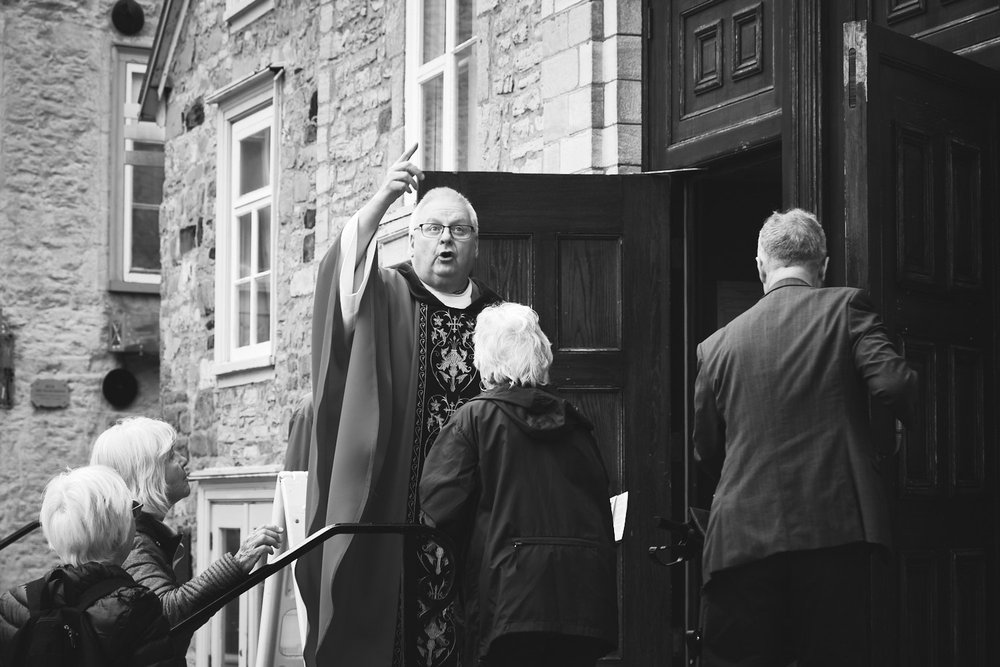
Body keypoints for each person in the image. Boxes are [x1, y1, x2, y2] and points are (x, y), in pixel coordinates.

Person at [298, 143, 501, 666]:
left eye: (459, 230)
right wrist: (383, 198)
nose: (446, 241)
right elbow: (340, 281)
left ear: (476, 243)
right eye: (433, 228)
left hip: (481, 518)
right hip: (399, 510)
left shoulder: (500, 315)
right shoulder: (389, 295)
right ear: (411, 239)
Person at [693, 208, 919, 666]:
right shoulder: (846, 308)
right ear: (825, 264)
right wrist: (887, 429)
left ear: (761, 265)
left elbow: (706, 450)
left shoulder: (716, 346)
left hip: (740, 542)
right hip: (831, 533)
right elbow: (894, 384)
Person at [419, 302, 618, 667]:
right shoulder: (576, 425)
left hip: (506, 604)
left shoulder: (474, 419)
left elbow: (438, 507)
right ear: (541, 358)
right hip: (581, 602)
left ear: (484, 360)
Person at [90, 417, 283, 652]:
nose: (183, 460)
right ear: (146, 472)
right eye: (171, 456)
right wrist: (236, 563)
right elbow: (163, 614)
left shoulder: (137, 533)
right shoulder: (134, 541)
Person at [0, 465, 182, 666]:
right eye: (133, 510)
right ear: (121, 529)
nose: (135, 518)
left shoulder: (13, 602)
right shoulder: (138, 606)